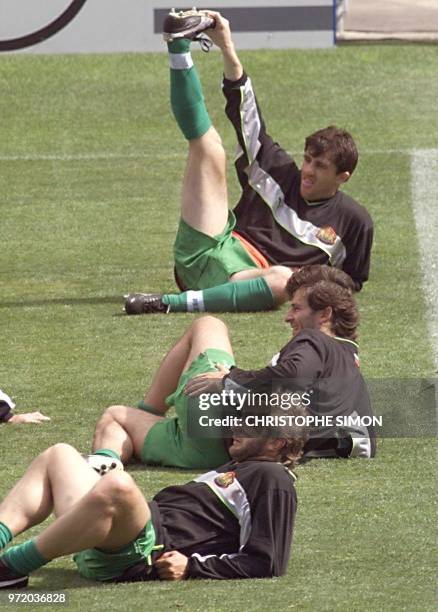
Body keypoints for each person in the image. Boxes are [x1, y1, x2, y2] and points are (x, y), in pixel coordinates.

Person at [125, 9, 373, 316]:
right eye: (308, 159)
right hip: (213, 244)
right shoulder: (278, 168)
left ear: (343, 177)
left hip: (245, 280)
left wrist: (311, 279)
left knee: (285, 280)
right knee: (210, 148)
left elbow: (351, 281)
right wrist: (226, 46)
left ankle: (167, 304)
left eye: (320, 166)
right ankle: (177, 46)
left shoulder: (355, 221)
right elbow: (244, 110)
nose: (307, 170)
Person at [92, 265, 375, 473]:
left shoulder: (316, 340)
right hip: (212, 455)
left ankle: (147, 412)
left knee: (208, 325)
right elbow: (364, 444)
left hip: (216, 420)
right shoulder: (352, 368)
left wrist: (229, 380)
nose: (288, 317)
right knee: (116, 418)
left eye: (297, 308)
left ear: (325, 314)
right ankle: (105, 462)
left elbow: (291, 375)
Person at [0, 414, 307, 588]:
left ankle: (10, 569)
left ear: (277, 441)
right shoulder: (240, 467)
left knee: (118, 485)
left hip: (142, 550)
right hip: (109, 537)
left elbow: (267, 560)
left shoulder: (273, 479)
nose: (237, 426)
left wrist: (192, 567)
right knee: (60, 454)